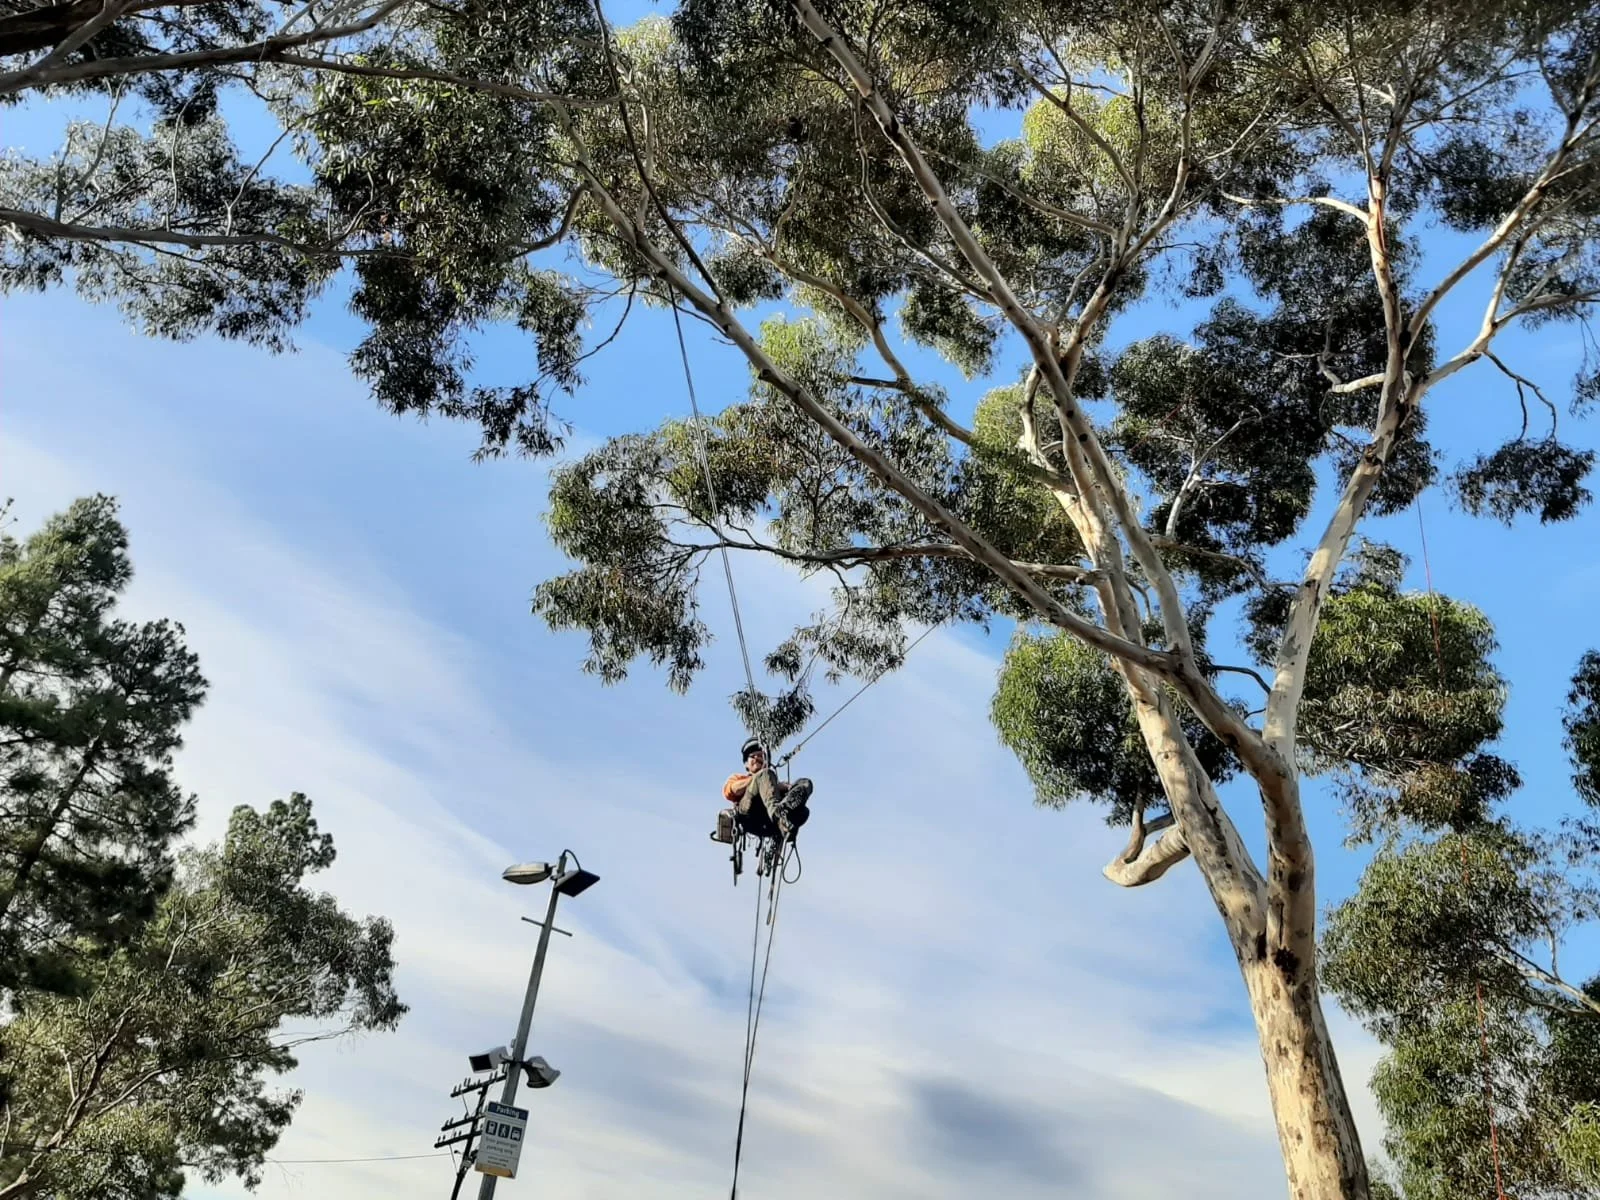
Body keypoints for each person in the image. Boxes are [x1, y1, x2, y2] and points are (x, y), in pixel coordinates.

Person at [712, 737, 813, 845]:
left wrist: (789, 789)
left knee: (805, 782)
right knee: (764, 775)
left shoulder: (772, 783)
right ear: (746, 764)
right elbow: (732, 790)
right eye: (752, 756)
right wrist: (758, 778)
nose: (756, 758)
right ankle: (779, 816)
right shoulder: (738, 778)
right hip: (750, 814)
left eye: (760, 756)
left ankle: (785, 813)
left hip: (770, 824)